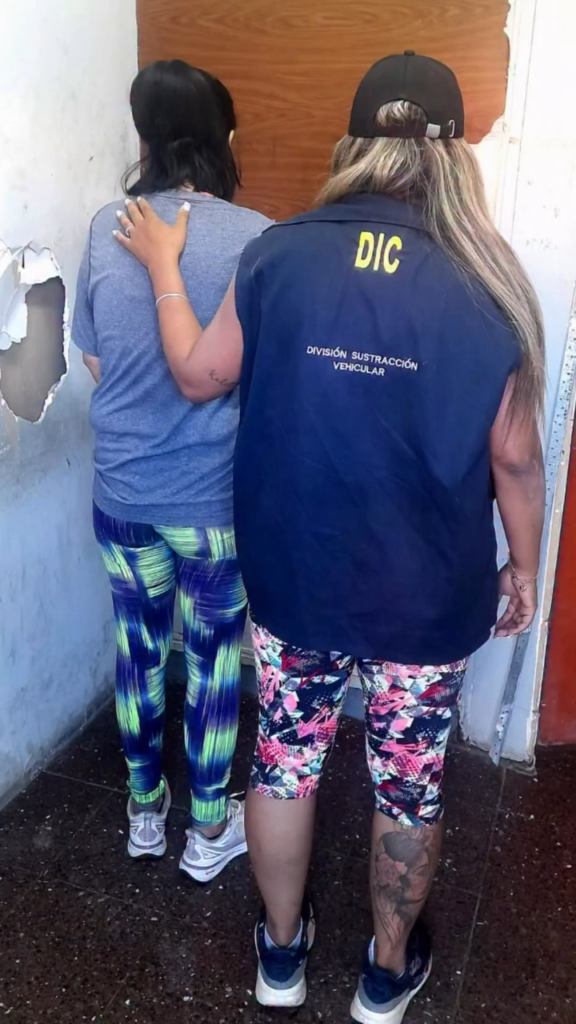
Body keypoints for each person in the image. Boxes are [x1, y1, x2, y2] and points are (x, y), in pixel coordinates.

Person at [114, 52, 545, 1024]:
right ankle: (385, 973)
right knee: (409, 779)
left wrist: (166, 273)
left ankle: (280, 956)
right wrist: (524, 564)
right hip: (425, 595)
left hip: (295, 575)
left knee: (286, 758)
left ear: (354, 144)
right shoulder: (488, 278)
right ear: (454, 155)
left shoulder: (277, 255)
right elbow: (517, 458)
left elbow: (200, 376)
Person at [72, 59, 272, 882]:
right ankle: (209, 828)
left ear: (144, 137)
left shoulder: (106, 226)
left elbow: (93, 359)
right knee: (217, 659)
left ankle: (145, 813)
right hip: (213, 503)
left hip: (121, 492)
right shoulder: (259, 238)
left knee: (139, 647)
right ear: (226, 136)